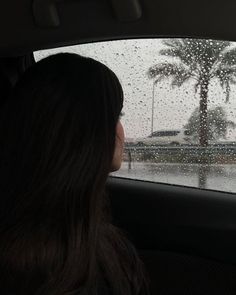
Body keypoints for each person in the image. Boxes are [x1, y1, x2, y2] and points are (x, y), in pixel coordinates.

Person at [0, 53, 149, 295]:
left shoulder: (20, 245)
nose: (121, 130)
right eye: (116, 116)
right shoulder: (100, 255)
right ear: (86, 131)